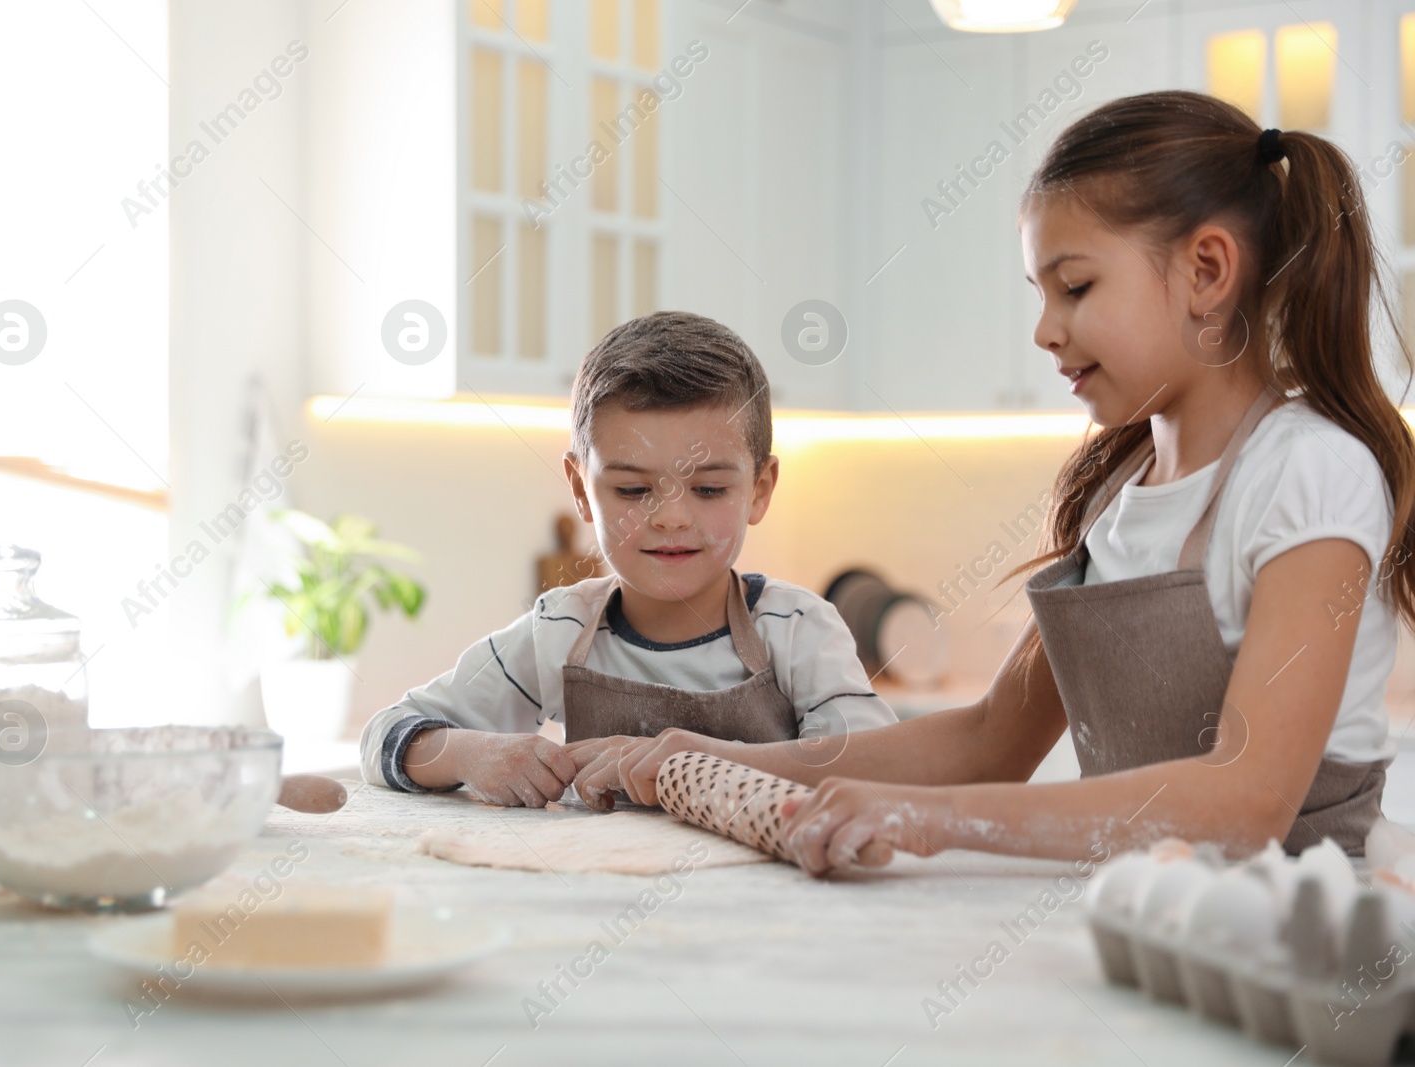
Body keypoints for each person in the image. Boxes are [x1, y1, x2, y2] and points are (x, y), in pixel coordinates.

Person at [578, 91, 1415, 872]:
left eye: (1076, 286)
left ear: (1206, 270)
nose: (1046, 331)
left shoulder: (1309, 470)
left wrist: (928, 818)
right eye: (1039, 293)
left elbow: (1247, 802)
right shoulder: (1119, 491)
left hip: (1310, 932)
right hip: (1157, 915)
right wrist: (716, 754)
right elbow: (989, 739)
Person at [357, 311, 895, 807]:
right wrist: (471, 755)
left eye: (708, 489)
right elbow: (385, 732)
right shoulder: (560, 631)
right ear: (579, 489)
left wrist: (696, 767)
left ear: (759, 489)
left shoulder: (797, 629)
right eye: (634, 490)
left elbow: (880, 764)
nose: (670, 518)